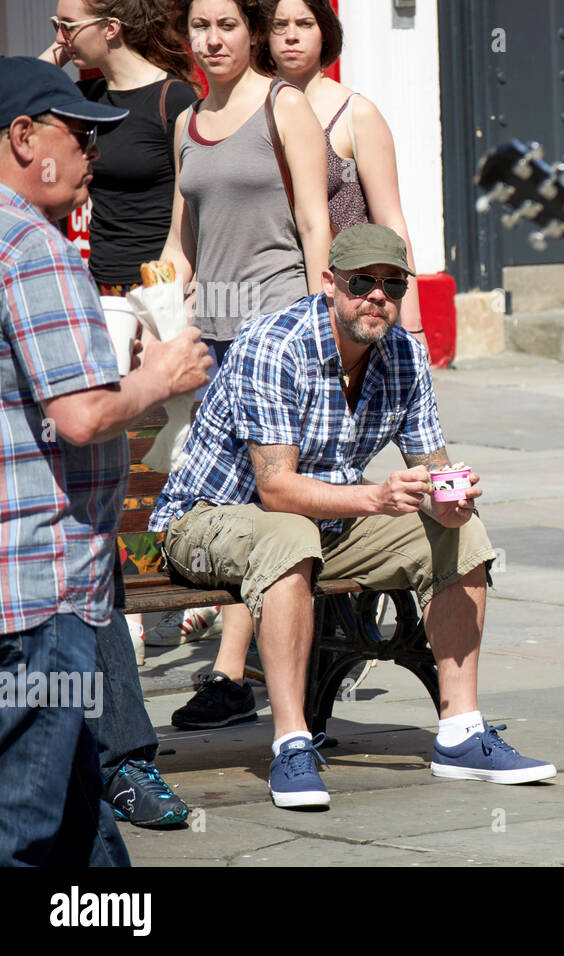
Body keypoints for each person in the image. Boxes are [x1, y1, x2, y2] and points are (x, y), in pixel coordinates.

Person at [148, 224, 555, 809]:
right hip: (209, 521)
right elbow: (277, 490)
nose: (377, 296)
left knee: (461, 535)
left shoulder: (404, 353)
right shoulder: (276, 344)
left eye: (392, 284)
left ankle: (462, 734)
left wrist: (452, 496)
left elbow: (434, 466)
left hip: (322, 525)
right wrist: (374, 497)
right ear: (329, 282)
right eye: (362, 282)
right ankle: (291, 744)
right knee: (288, 535)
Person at [0, 56, 212, 865]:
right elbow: (83, 416)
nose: (94, 153)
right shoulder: (35, 248)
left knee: (83, 828)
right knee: (27, 829)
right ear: (24, 137)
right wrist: (157, 377)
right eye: (80, 134)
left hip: (27, 587)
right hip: (42, 587)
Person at [157, 0, 331, 723]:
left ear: (249, 32)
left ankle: (237, 676)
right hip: (216, 342)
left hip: (278, 335)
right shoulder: (186, 125)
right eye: (201, 26)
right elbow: (180, 241)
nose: (212, 38)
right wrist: (158, 310)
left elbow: (317, 218)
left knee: (269, 495)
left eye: (226, 24)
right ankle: (251, 674)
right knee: (228, 505)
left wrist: (321, 325)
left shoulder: (283, 106)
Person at [260, 0, 425, 341]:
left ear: (325, 33)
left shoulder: (355, 113)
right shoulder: (253, 112)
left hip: (350, 300)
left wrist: (413, 325)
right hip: (272, 296)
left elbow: (391, 221)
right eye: (280, 25)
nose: (291, 36)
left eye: (305, 24)